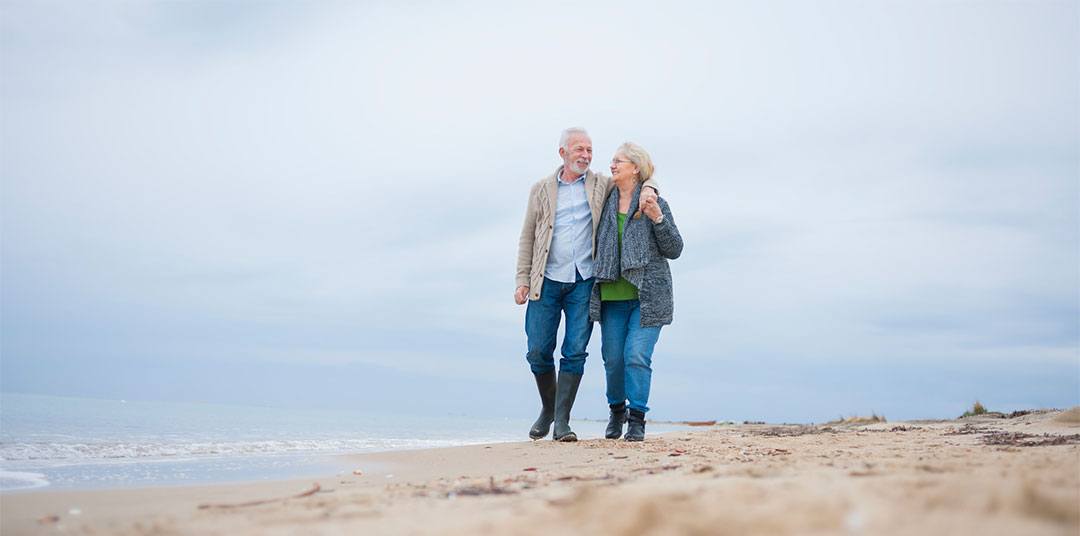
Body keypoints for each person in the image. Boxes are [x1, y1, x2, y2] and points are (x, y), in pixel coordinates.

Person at [515, 128, 658, 442]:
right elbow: (527, 235)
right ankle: (548, 408)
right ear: (563, 152)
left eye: (590, 150)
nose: (586, 156)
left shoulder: (600, 184)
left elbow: (638, 179)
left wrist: (650, 188)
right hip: (546, 280)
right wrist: (522, 279)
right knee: (538, 350)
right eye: (579, 149)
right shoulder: (540, 189)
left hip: (584, 281)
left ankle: (562, 421)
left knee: (575, 351)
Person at [589, 142, 682, 442]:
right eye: (612, 160)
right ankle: (616, 411)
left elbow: (675, 249)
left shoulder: (654, 202)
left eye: (619, 161)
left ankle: (637, 419)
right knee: (613, 359)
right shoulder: (604, 199)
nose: (612, 165)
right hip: (611, 297)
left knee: (636, 356)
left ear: (635, 168)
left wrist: (657, 217)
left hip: (648, 297)